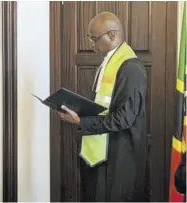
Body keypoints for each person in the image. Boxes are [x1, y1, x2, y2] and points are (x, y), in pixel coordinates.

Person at [58, 12, 147, 201]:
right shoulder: (107, 62)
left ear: (112, 35)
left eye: (94, 39)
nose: (91, 45)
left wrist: (82, 121)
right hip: (98, 152)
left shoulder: (130, 68)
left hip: (116, 157)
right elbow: (103, 105)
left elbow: (125, 118)